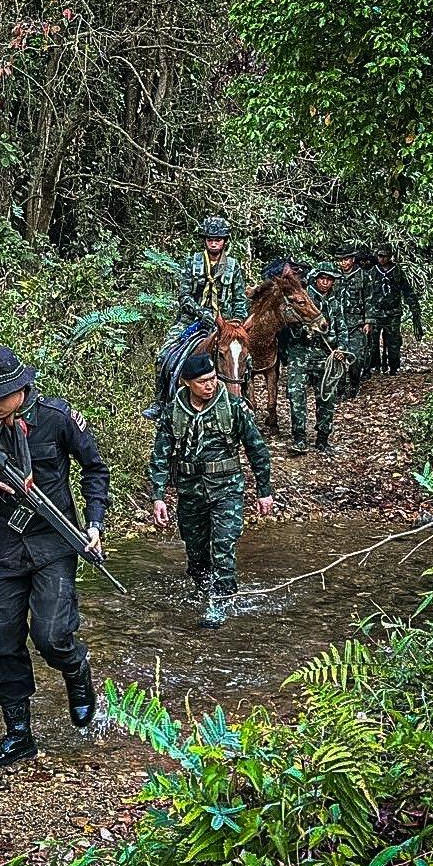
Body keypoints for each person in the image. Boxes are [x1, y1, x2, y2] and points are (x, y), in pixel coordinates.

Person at [0, 346, 110, 769]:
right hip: (7, 544)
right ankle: (19, 733)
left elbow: (94, 469)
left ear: (21, 387)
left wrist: (94, 523)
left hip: (55, 542)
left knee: (51, 634)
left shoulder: (57, 418)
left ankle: (76, 670)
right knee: (0, 637)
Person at [147, 353, 273, 628]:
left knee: (223, 547)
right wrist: (158, 497)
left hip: (227, 489)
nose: (210, 385)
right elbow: (160, 455)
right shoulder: (174, 411)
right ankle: (203, 589)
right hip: (190, 492)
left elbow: (257, 449)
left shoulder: (234, 407)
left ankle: (222, 601)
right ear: (186, 382)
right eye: (202, 381)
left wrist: (264, 490)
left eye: (213, 378)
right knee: (196, 551)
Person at [143, 215, 249, 420]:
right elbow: (184, 296)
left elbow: (239, 299)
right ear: (205, 240)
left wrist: (236, 323)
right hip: (191, 320)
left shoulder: (233, 266)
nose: (214, 243)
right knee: (163, 355)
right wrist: (202, 313)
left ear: (225, 241)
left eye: (218, 239)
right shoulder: (192, 262)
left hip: (225, 323)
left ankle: (243, 400)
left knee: (243, 357)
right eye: (210, 239)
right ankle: (160, 402)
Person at [285, 265, 349, 455]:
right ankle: (299, 438)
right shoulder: (303, 297)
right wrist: (301, 329)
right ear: (316, 279)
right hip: (300, 355)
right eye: (322, 278)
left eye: (329, 279)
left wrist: (341, 350)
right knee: (296, 397)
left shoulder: (335, 303)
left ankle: (323, 439)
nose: (325, 282)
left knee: (327, 397)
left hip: (325, 356)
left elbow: (342, 329)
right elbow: (288, 325)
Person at [369, 244, 423, 375]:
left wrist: (414, 307)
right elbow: (366, 292)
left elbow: (407, 291)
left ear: (390, 257)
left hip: (393, 312)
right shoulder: (373, 271)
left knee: (393, 341)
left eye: (385, 256)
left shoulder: (397, 271)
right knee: (372, 342)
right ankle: (375, 365)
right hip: (376, 312)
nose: (382, 259)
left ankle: (393, 367)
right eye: (380, 256)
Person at [334, 246, 375, 397]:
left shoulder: (363, 276)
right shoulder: (334, 276)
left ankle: (354, 384)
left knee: (356, 357)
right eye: (340, 260)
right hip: (338, 324)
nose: (343, 263)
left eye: (345, 260)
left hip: (356, 324)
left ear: (352, 260)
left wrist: (368, 321)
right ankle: (339, 389)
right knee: (338, 356)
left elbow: (369, 300)